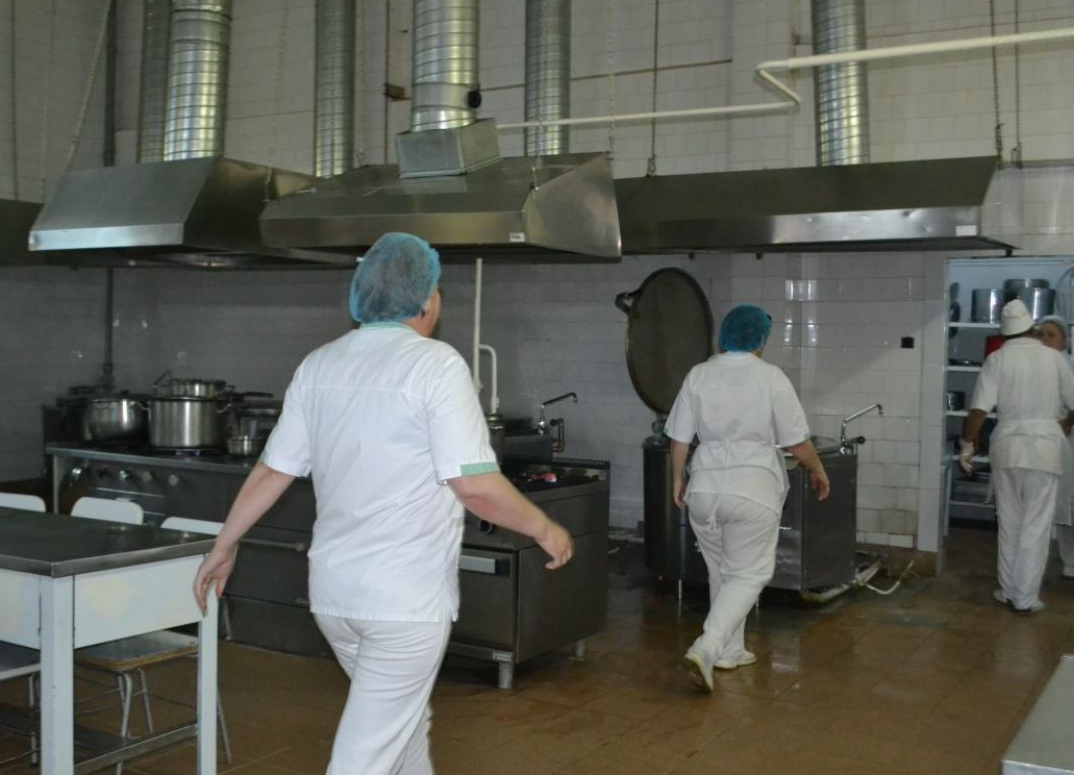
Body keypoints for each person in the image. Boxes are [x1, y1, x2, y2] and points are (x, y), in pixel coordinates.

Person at [192, 232, 574, 775]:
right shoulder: (436, 366)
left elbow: (273, 470)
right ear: (425, 301)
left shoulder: (318, 365)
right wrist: (544, 528)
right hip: (402, 605)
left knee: (403, 730)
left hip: (334, 598)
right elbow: (475, 486)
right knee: (366, 755)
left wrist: (224, 545)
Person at [666, 304, 829, 693]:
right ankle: (707, 647)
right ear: (760, 340)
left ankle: (730, 650)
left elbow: (679, 438)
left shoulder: (699, 374)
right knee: (750, 574)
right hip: (752, 490)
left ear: (724, 336)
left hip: (704, 489)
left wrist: (677, 478)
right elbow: (795, 441)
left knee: (722, 572)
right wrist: (817, 469)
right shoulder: (770, 377)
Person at [961, 300, 1074, 613]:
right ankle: (1024, 597)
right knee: (1035, 525)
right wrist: (1066, 423)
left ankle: (1009, 589)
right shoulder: (1055, 359)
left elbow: (979, 410)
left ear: (1004, 332)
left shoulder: (997, 359)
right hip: (1045, 450)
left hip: (1007, 447)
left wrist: (967, 444)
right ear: (1031, 328)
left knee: (1009, 522)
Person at [1035, 315, 1074, 578]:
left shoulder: (1070, 365)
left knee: (1068, 501)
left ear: (1064, 340)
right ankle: (1040, 561)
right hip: (1043, 441)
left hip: (1068, 442)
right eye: (1042, 335)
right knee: (1046, 502)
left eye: (1051, 335)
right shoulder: (1037, 366)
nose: (1046, 339)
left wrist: (1069, 421)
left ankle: (1071, 560)